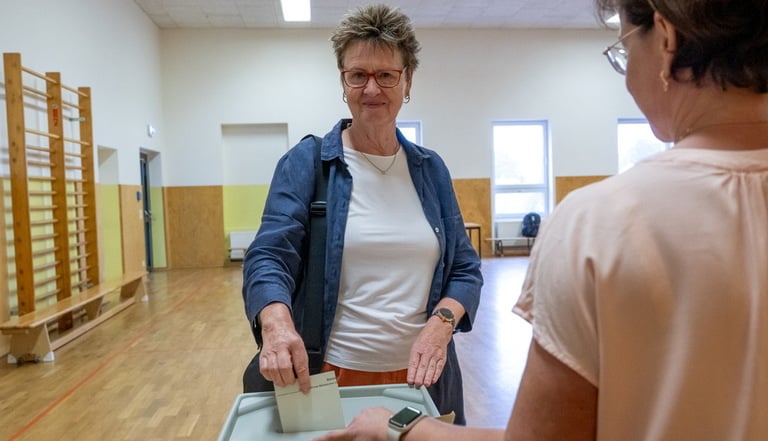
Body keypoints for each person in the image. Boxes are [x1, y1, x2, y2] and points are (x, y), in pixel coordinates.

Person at [312, 0, 768, 439]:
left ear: (665, 39)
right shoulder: (312, 163)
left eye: (624, 51)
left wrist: (403, 431)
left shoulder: (599, 225)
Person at [242, 3, 482, 425]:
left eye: (386, 75)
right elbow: (269, 256)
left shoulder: (431, 170)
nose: (372, 89)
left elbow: (465, 268)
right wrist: (277, 322)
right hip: (329, 376)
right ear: (343, 81)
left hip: (424, 377)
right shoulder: (308, 163)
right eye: (358, 75)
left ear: (408, 80)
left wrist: (442, 325)